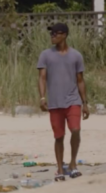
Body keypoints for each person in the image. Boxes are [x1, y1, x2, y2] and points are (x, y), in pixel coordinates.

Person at [37, 23, 89, 182]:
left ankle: (73, 164)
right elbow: (42, 78)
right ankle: (60, 168)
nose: (52, 36)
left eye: (55, 33)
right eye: (51, 33)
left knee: (75, 129)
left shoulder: (76, 56)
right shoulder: (45, 55)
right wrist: (42, 97)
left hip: (73, 100)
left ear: (64, 35)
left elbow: (80, 80)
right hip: (55, 102)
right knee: (59, 136)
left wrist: (85, 102)